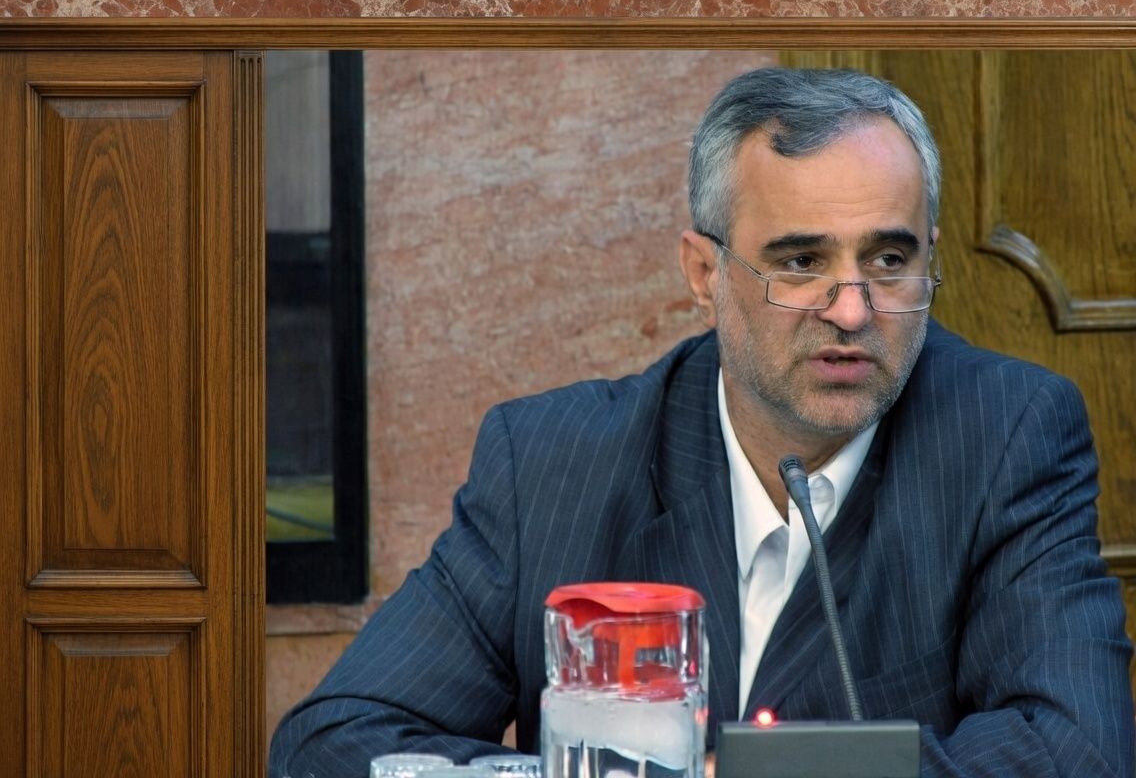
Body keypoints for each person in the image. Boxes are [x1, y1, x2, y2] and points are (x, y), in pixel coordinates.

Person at [270, 67, 1134, 778]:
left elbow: (1078, 752)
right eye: (801, 261)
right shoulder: (553, 463)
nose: (852, 309)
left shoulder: (1007, 435)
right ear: (703, 273)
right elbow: (333, 743)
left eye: (888, 259)